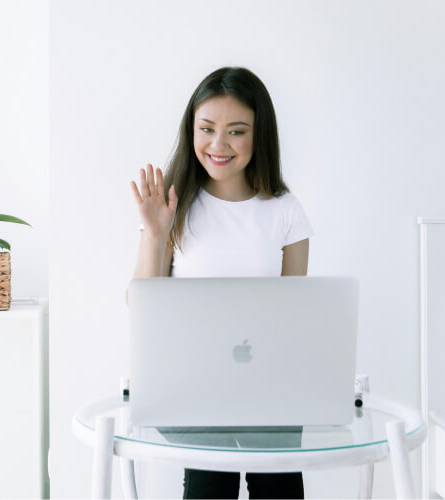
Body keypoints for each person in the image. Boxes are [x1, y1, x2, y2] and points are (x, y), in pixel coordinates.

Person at [129, 66, 313, 499]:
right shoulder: (172, 205)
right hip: (194, 386)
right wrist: (156, 234)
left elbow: (299, 313)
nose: (218, 145)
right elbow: (141, 310)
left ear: (259, 135)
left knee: (281, 490)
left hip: (271, 387)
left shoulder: (286, 211)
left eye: (236, 131)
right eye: (207, 129)